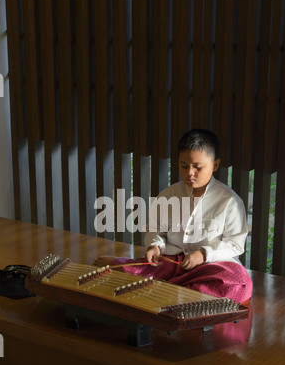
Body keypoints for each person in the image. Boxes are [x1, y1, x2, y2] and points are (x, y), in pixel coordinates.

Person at [94, 128, 253, 303]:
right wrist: (154, 246)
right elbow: (156, 230)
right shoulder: (167, 195)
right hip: (173, 262)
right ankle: (176, 288)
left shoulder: (230, 201)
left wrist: (203, 255)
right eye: (184, 166)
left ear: (215, 165)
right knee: (146, 269)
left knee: (240, 283)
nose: (189, 173)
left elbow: (235, 244)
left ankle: (164, 287)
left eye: (197, 167)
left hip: (210, 266)